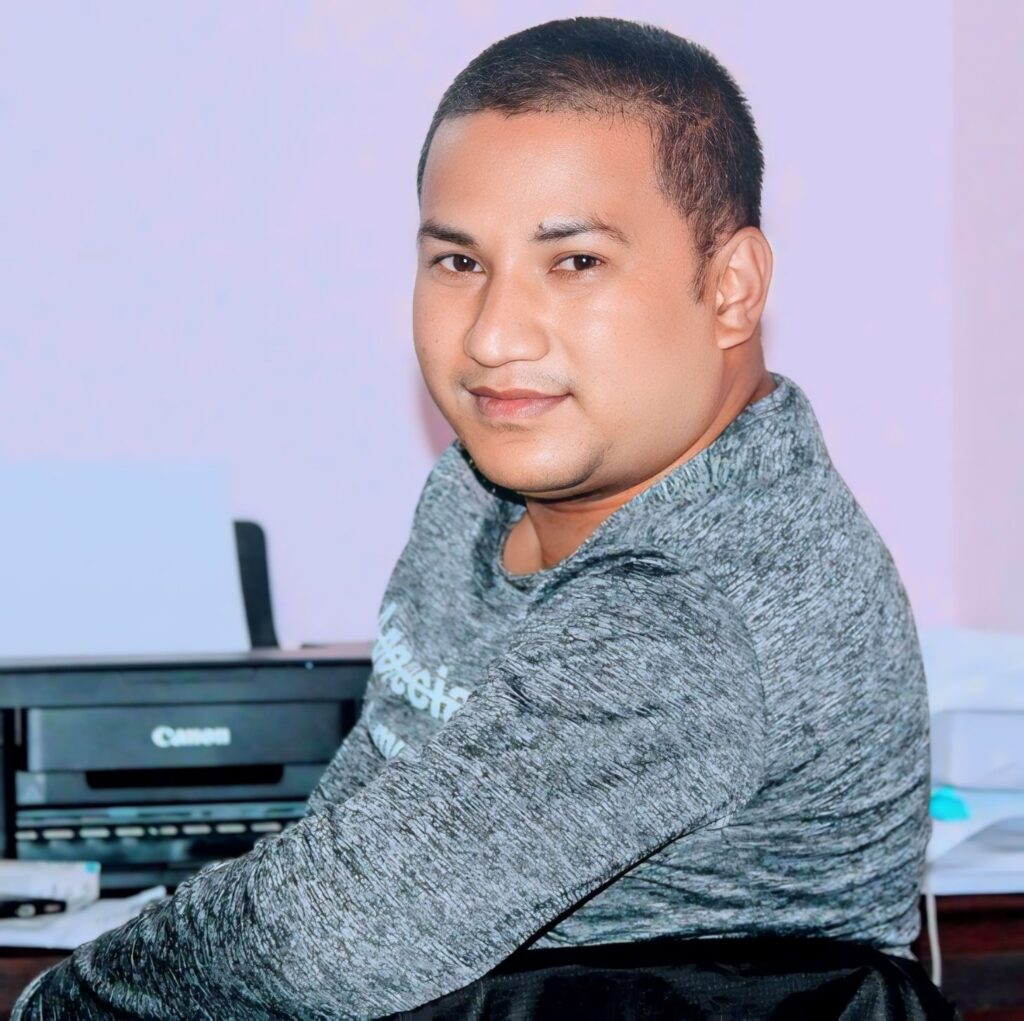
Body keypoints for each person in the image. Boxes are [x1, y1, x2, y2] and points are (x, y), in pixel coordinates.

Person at [13, 15, 932, 1019]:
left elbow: (331, 937)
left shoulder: (691, 608)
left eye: (575, 262)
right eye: (458, 263)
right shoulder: (489, 477)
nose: (493, 337)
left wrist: (57, 1005)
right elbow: (356, 832)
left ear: (730, 287)